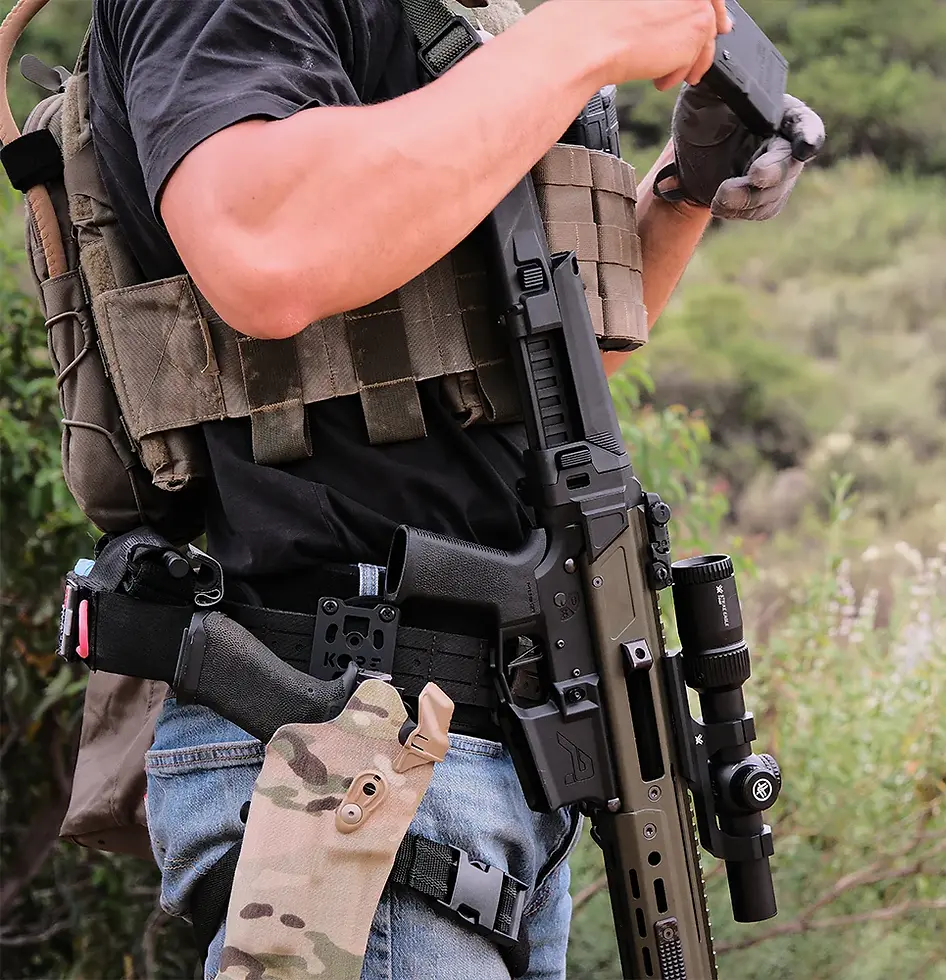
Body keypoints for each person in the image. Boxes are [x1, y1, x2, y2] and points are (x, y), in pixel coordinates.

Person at [86, 1, 824, 977]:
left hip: (505, 752)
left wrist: (684, 188)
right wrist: (584, 38)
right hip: (353, 746)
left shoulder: (477, 17)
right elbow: (262, 248)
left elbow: (527, 363)